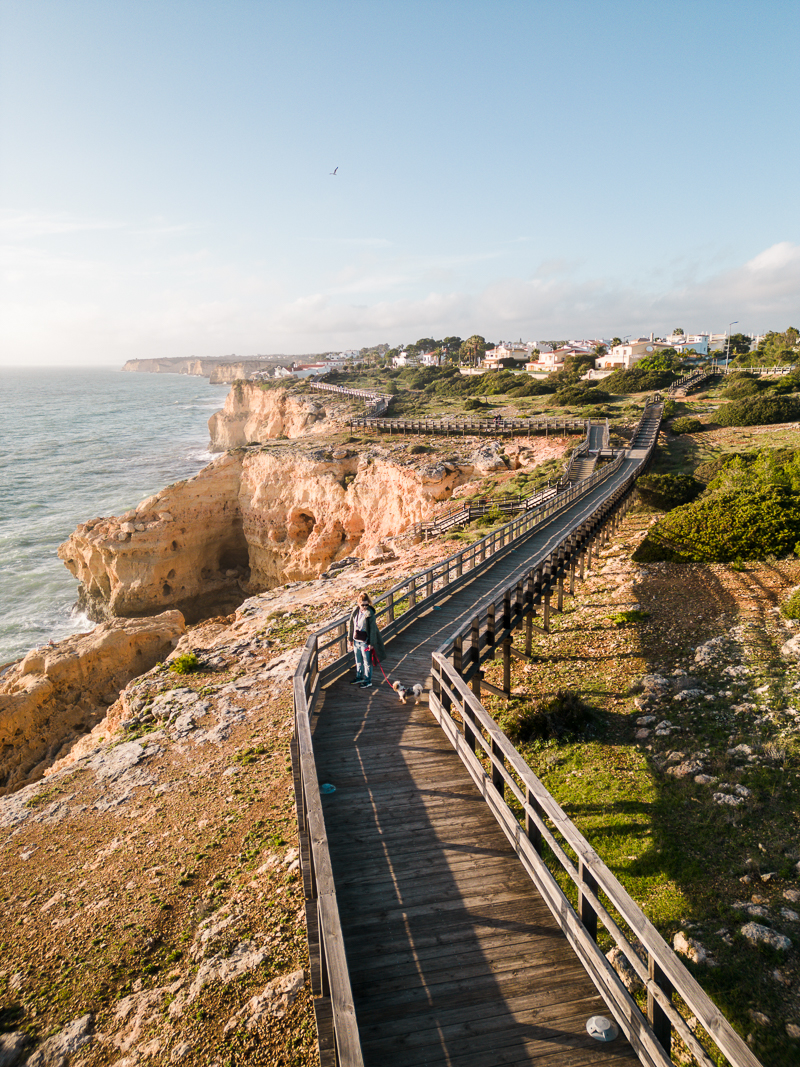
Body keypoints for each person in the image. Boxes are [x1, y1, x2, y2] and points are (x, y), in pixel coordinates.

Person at [348, 592, 386, 689]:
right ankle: (359, 676)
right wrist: (350, 639)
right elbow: (351, 625)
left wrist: (371, 643)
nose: (364, 606)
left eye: (366, 604)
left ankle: (368, 680)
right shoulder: (355, 612)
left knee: (367, 662)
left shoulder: (370, 614)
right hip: (356, 639)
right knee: (358, 660)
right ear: (359, 603)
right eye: (362, 604)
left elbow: (373, 629)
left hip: (365, 641)